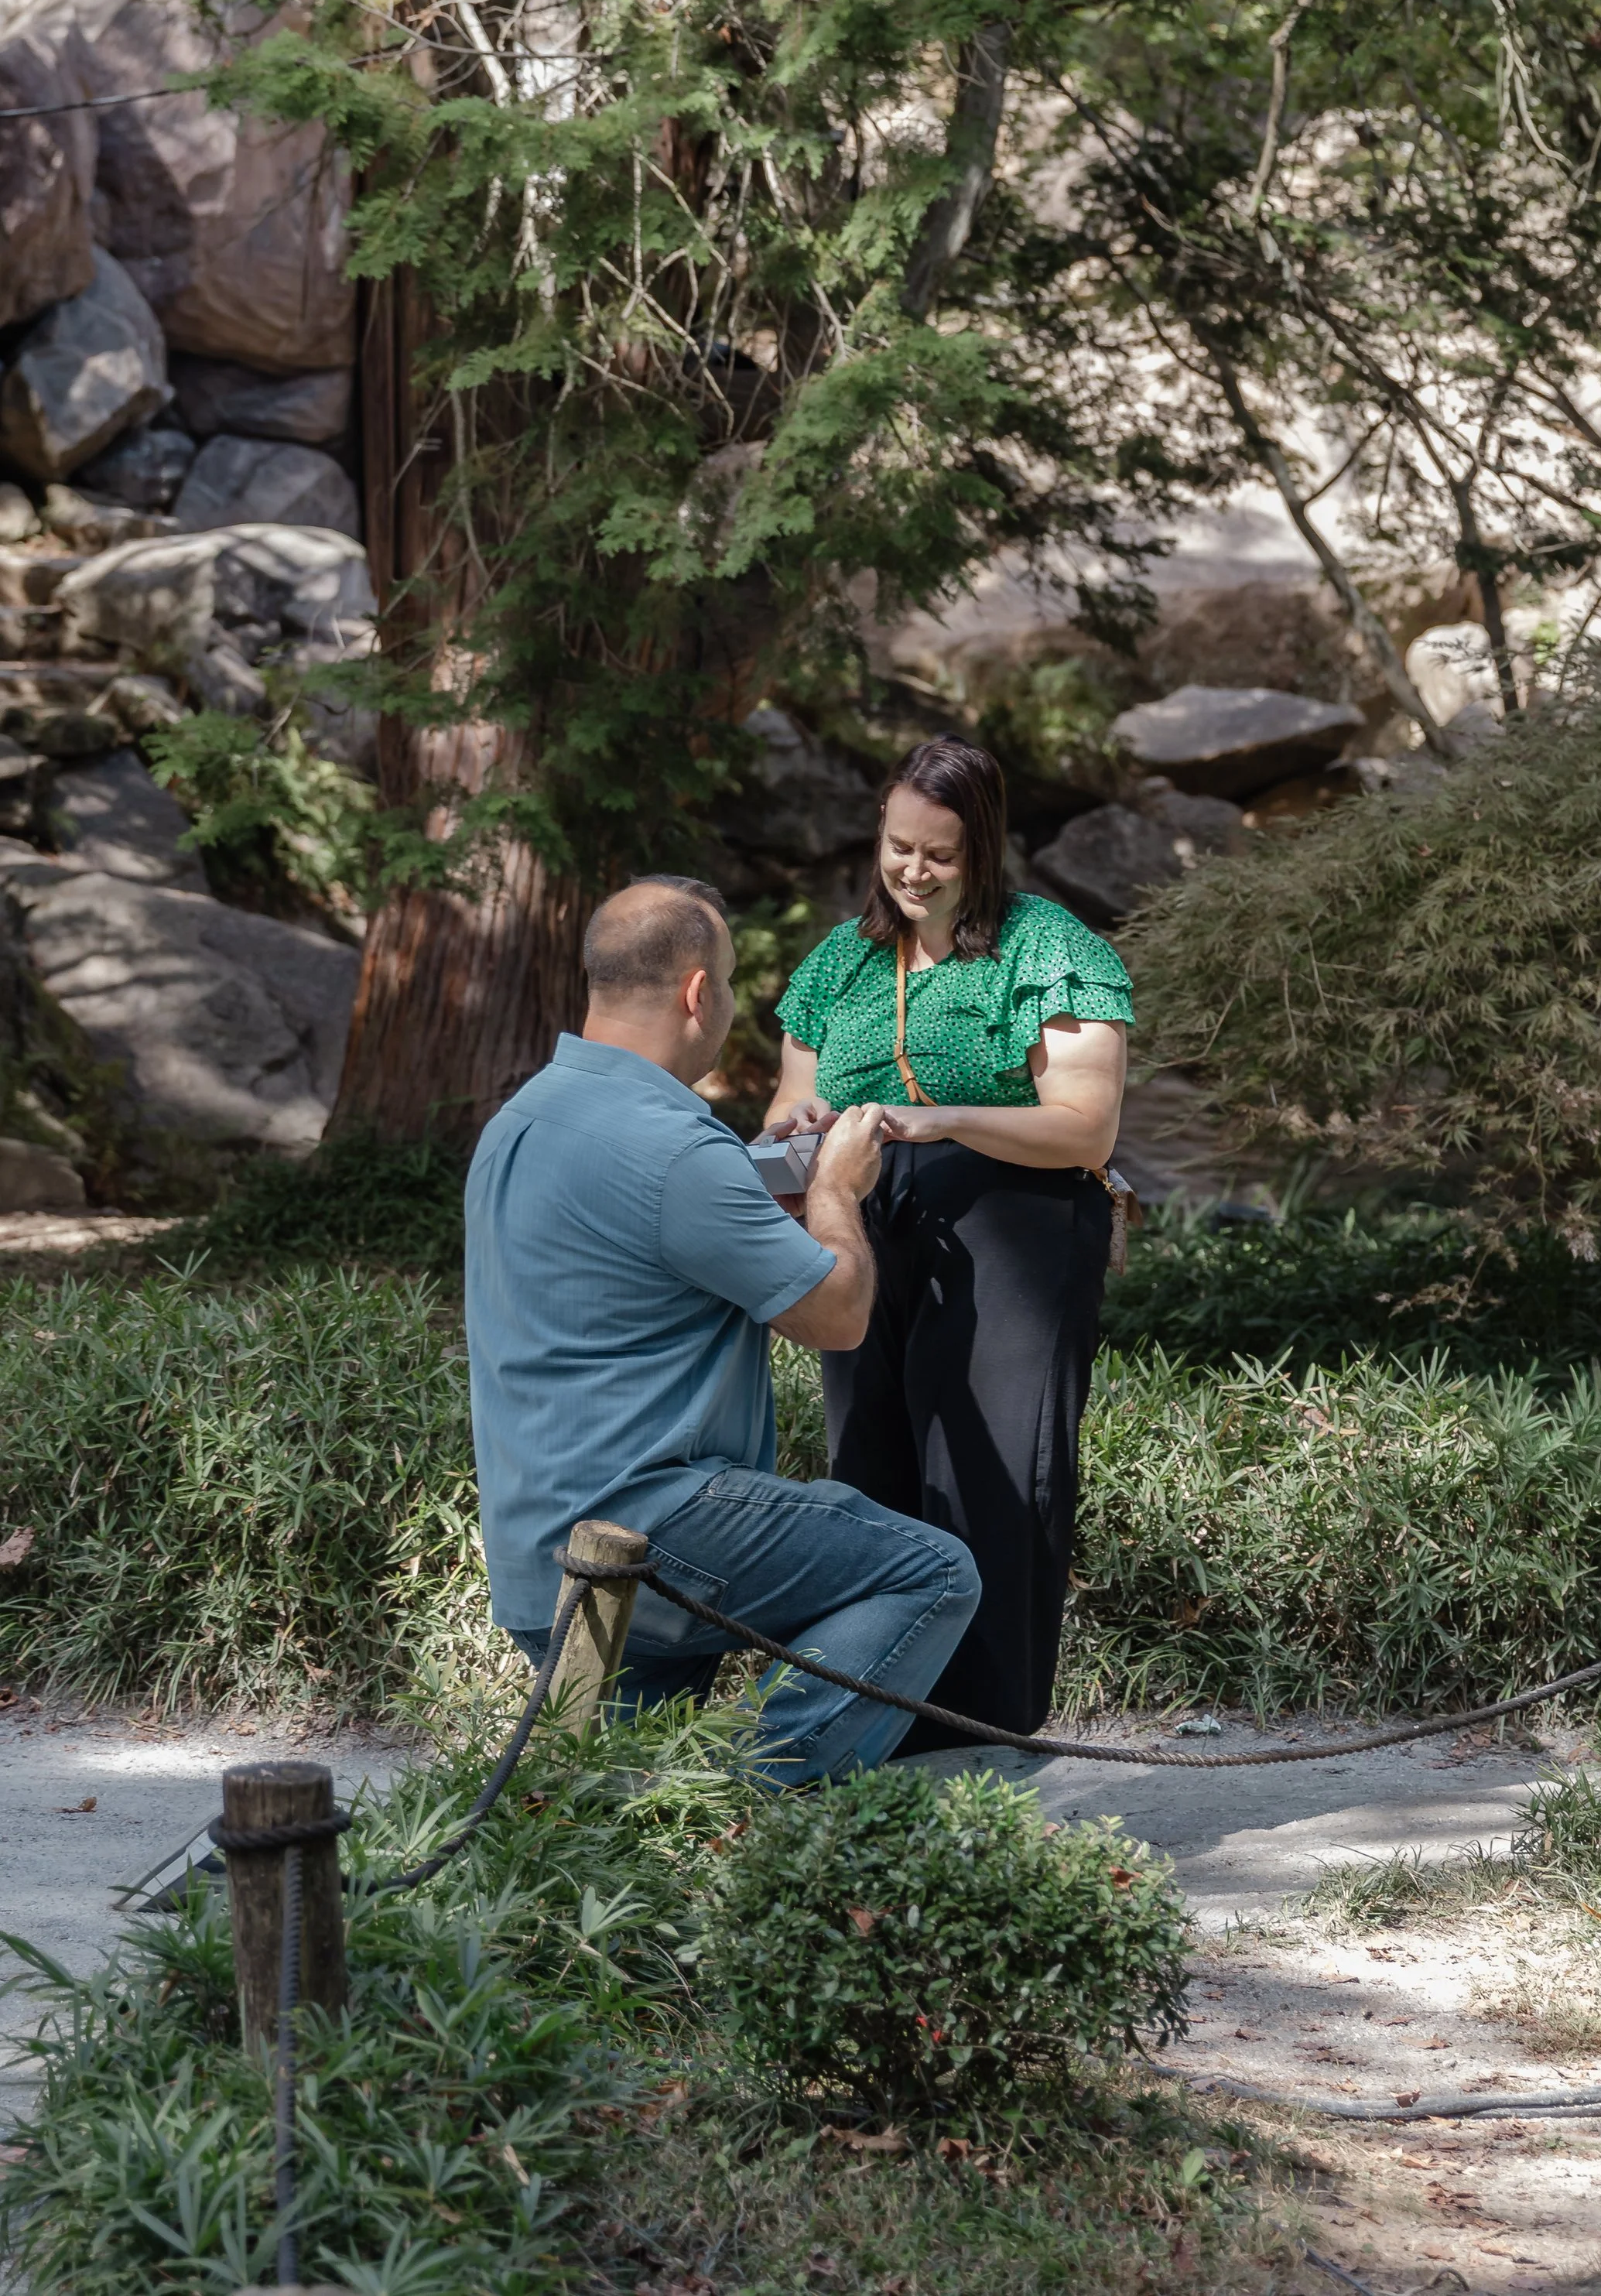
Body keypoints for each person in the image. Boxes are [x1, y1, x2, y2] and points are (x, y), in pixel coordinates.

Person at [464, 871, 981, 1784]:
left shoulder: (522, 1117)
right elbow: (836, 1315)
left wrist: (769, 1180)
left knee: (605, 1819)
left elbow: (647, 1242)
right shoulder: (673, 1146)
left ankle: (678, 1829)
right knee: (932, 1572)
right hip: (655, 1527)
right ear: (699, 990)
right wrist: (833, 1189)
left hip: (531, 1545)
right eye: (735, 980)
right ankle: (745, 1809)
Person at [765, 737, 1131, 1747]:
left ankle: (981, 1735)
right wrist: (799, 1125)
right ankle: (871, 1717)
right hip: (868, 1219)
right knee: (867, 1463)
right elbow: (793, 1099)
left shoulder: (1047, 947)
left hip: (1015, 1217)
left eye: (940, 854)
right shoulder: (841, 962)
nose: (913, 871)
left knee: (993, 1473)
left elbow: (1084, 1128)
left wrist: (949, 1118)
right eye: (898, 846)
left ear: (984, 851)